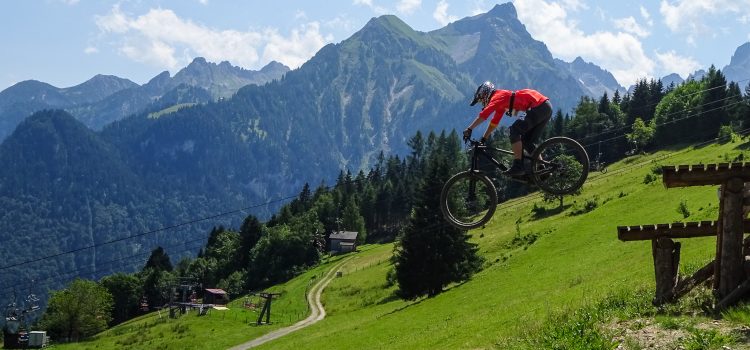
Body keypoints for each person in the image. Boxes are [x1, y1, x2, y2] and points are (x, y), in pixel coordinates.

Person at [462, 81, 552, 176]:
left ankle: (518, 166)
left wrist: (469, 129)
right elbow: (494, 122)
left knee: (514, 130)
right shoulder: (500, 99)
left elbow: (484, 115)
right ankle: (542, 169)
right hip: (545, 107)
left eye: (481, 100)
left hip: (539, 106)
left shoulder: (496, 97)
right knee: (526, 142)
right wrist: (484, 139)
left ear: (485, 94)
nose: (482, 103)